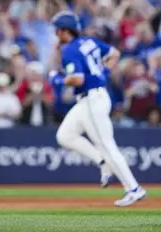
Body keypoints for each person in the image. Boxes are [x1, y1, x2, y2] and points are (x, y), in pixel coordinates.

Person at [49, 11, 146, 207]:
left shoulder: (70, 49)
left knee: (107, 144)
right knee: (65, 135)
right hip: (90, 99)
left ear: (64, 30)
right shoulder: (89, 42)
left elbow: (78, 79)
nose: (56, 33)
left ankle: (134, 189)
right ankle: (102, 162)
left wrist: (56, 79)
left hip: (93, 99)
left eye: (58, 30)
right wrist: (101, 71)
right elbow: (115, 54)